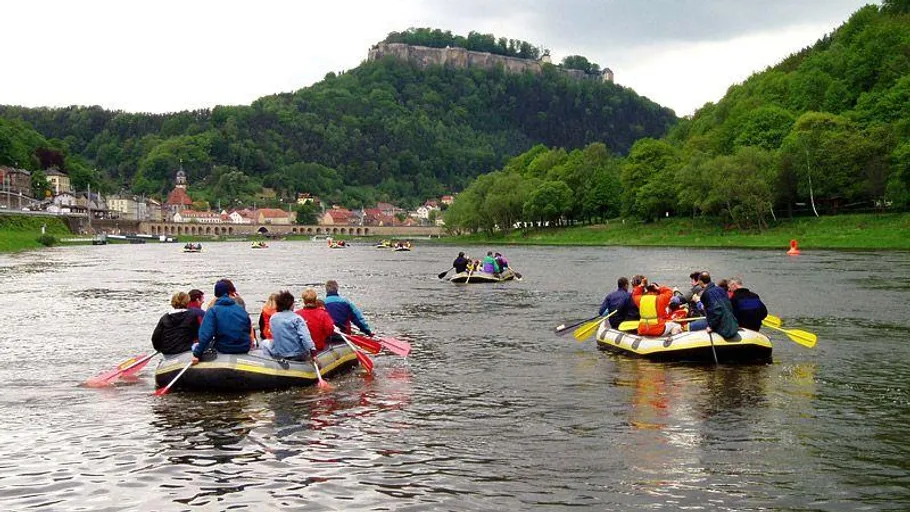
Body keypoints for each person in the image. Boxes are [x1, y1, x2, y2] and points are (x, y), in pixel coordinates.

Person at [192, 279, 253, 364]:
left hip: (225, 347)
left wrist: (197, 354)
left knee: (198, 347)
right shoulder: (241, 310)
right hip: (243, 347)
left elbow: (206, 335)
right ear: (228, 293)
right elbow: (248, 329)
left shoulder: (213, 310)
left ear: (216, 294)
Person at [264, 290, 316, 361]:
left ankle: (269, 362)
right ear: (290, 305)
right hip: (298, 354)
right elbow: (305, 337)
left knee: (264, 343)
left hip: (280, 353)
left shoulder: (273, 318)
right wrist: (313, 352)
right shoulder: (297, 318)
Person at [688, 272, 739, 338]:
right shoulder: (721, 289)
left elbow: (716, 311)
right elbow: (729, 305)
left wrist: (711, 327)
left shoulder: (707, 294)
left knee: (690, 326)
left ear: (700, 281)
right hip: (732, 323)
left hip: (722, 326)